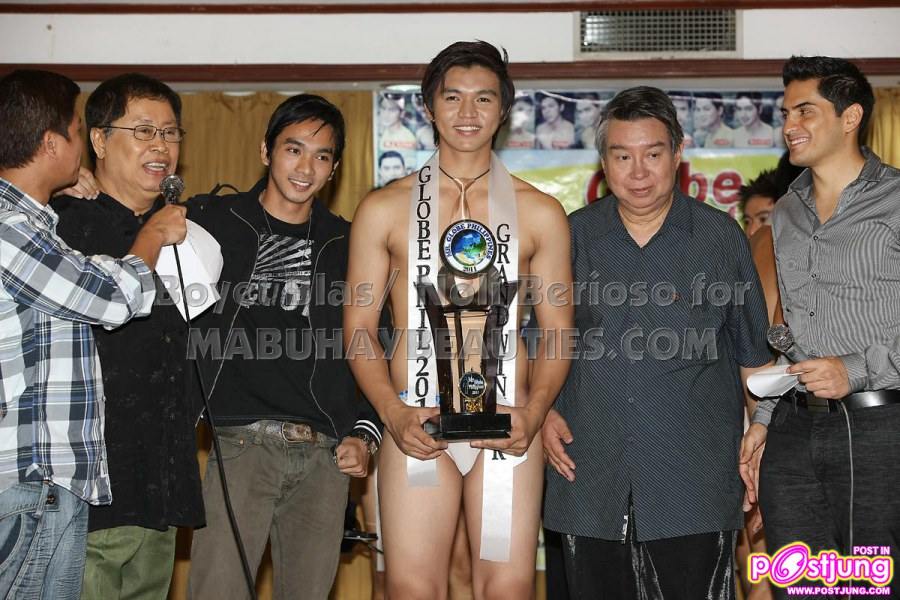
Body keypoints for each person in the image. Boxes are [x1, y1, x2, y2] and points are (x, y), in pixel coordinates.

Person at [344, 41, 573, 599]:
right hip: (416, 417)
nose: (467, 113)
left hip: (507, 421)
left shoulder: (540, 212)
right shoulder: (384, 208)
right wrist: (392, 413)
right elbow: (358, 328)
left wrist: (536, 411)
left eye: (483, 99)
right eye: (452, 98)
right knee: (411, 587)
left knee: (508, 586)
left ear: (504, 110)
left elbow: (559, 332)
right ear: (428, 107)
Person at [542, 85, 772, 599]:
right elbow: (535, 344)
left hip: (692, 480)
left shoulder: (719, 239)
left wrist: (761, 431)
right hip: (588, 474)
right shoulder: (570, 237)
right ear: (604, 161)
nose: (638, 172)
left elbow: (753, 356)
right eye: (622, 156)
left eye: (653, 154)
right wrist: (542, 414)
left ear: (678, 151)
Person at [187, 94, 382, 599]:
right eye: (293, 149)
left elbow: (372, 347)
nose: (305, 167)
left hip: (324, 456)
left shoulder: (348, 244)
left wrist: (366, 434)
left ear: (335, 167)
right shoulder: (210, 222)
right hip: (240, 444)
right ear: (265, 151)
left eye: (321, 156)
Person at [0, 69, 186, 599]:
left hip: (74, 480)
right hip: (29, 476)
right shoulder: (19, 227)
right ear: (54, 142)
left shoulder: (36, 223)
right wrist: (148, 237)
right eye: (81, 131)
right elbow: (110, 298)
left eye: (170, 133)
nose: (161, 146)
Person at [741, 56, 900, 598]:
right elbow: (793, 332)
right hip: (791, 431)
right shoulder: (784, 212)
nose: (789, 125)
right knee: (803, 588)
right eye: (785, 112)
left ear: (851, 116)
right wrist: (762, 420)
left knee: (872, 588)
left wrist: (855, 370)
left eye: (805, 110)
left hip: (881, 429)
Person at [49, 73, 205, 600]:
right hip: (86, 494)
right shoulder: (61, 226)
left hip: (159, 487)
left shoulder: (187, 235)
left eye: (170, 133)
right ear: (97, 140)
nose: (161, 146)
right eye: (143, 131)